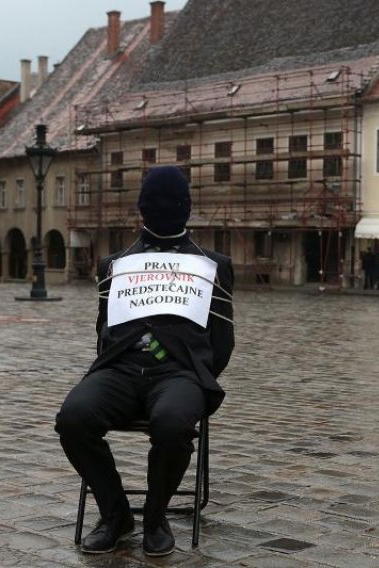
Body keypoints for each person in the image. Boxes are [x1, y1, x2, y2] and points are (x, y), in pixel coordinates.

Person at [55, 166, 234, 557]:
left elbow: (222, 344)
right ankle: (116, 513)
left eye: (170, 202)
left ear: (187, 207)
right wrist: (121, 369)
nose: (162, 208)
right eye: (154, 202)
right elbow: (104, 333)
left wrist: (194, 376)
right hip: (119, 371)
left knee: (173, 423)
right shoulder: (113, 266)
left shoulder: (213, 266)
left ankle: (156, 517)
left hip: (179, 375)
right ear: (141, 208)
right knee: (73, 417)